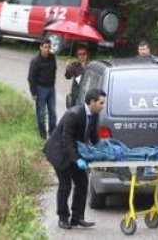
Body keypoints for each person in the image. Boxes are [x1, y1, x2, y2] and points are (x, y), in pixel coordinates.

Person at [44, 88, 106, 229]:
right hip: (59, 152)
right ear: (92, 102)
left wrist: (104, 149)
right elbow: (67, 141)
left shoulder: (94, 115)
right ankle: (63, 217)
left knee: (82, 182)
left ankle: (77, 218)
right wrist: (77, 159)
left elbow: (93, 137)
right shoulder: (73, 114)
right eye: (101, 103)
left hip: (73, 151)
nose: (103, 106)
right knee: (65, 185)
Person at [28, 39, 57, 140]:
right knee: (41, 115)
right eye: (45, 47)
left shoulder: (52, 57)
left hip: (51, 89)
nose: (47, 50)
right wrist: (33, 92)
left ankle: (52, 135)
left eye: (49, 47)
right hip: (40, 89)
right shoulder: (35, 60)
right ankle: (43, 137)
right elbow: (31, 77)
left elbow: (54, 71)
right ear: (40, 47)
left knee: (53, 114)